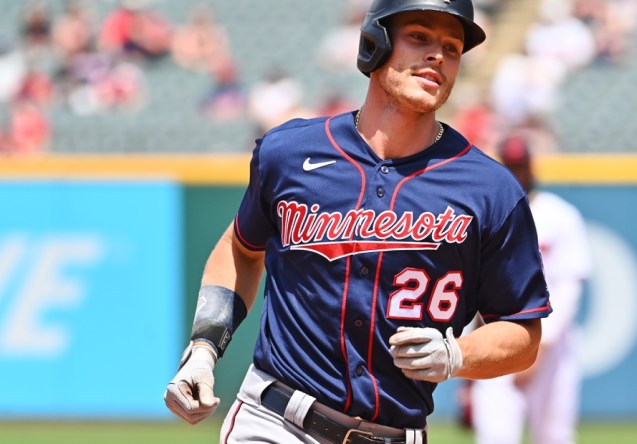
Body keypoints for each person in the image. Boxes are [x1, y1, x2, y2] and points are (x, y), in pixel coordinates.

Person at [163, 1, 551, 443]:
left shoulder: (489, 189)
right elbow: (242, 250)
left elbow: (523, 332)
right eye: (420, 37)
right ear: (375, 42)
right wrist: (203, 349)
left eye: (452, 47)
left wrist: (455, 354)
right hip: (276, 421)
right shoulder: (290, 153)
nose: (438, 56)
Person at [469, 133, 592, 444]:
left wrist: (541, 346)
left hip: (551, 348)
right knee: (494, 436)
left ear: (530, 167)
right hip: (494, 340)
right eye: (509, 166)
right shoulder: (484, 213)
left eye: (519, 166)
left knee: (554, 436)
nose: (515, 173)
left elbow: (570, 288)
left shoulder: (559, 215)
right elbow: (472, 291)